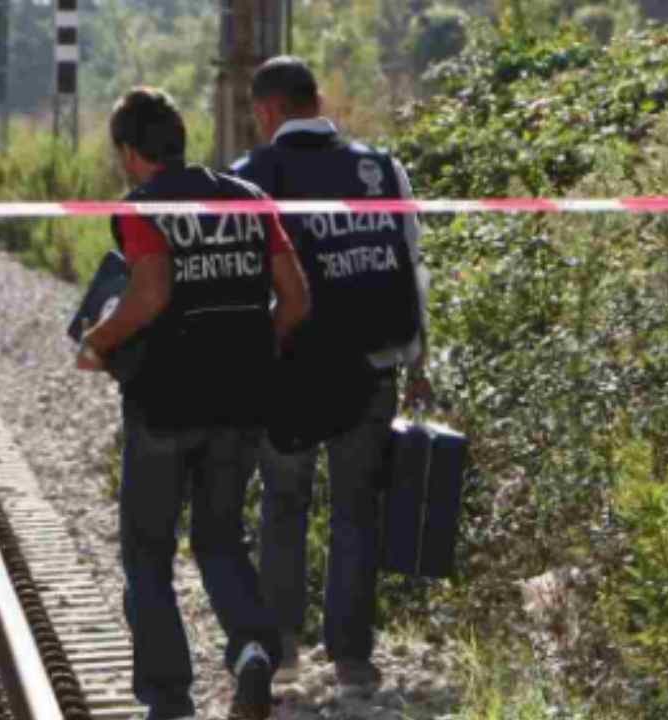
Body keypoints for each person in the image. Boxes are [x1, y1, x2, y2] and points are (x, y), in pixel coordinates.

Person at [78, 87, 311, 720]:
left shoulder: (142, 207)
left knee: (148, 552)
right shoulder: (250, 199)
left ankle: (169, 698)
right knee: (221, 540)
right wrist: (260, 347)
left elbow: (150, 294)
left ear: (129, 152)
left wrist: (98, 342)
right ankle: (253, 652)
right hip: (241, 402)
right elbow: (295, 297)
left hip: (164, 404)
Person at [229, 56, 435, 695]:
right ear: (315, 101)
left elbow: (241, 283)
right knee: (355, 514)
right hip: (369, 369)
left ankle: (283, 651)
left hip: (287, 374)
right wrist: (420, 359)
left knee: (283, 507)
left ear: (267, 111)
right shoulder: (380, 168)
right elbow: (413, 265)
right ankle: (351, 661)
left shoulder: (250, 177)